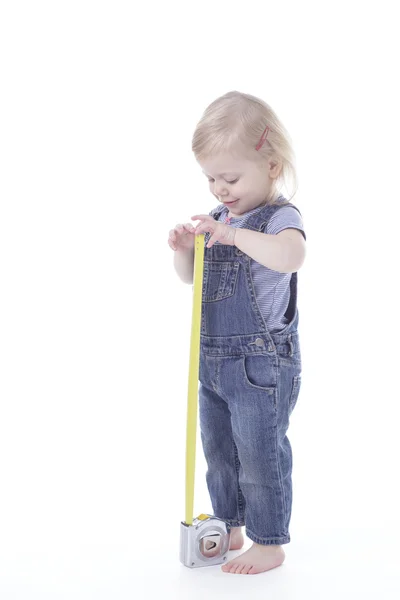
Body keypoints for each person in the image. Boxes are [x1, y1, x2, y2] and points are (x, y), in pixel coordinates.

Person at [168, 91, 306, 575]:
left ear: (271, 166)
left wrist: (232, 236)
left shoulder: (279, 219)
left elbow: (290, 258)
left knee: (260, 455)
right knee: (220, 452)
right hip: (213, 363)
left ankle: (269, 541)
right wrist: (186, 250)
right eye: (210, 178)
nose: (220, 190)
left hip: (260, 366)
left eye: (230, 178)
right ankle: (229, 523)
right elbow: (192, 281)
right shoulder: (222, 219)